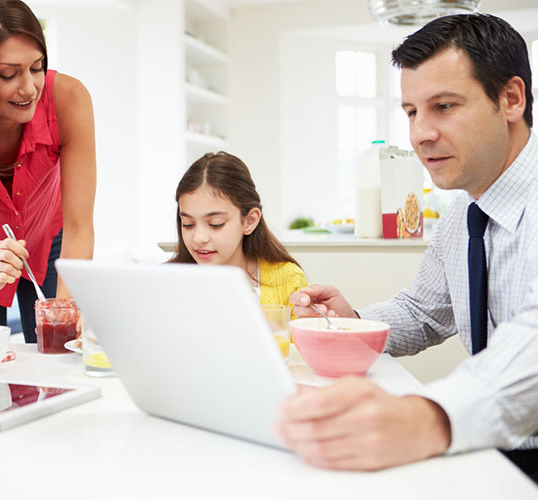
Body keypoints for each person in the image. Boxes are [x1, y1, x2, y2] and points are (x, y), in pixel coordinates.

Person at [277, 13, 538, 482]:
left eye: (444, 106)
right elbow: (423, 311)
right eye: (412, 112)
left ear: (511, 99)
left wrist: (427, 418)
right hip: (493, 450)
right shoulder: (464, 214)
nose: (420, 135)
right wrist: (352, 323)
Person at [0, 0, 96, 343]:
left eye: (37, 67)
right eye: (9, 74)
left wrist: (64, 315)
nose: (29, 88)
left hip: (48, 240)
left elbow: (80, 226)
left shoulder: (67, 99)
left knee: (61, 354)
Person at [170, 152, 307, 311]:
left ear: (250, 221)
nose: (198, 238)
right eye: (188, 224)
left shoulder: (288, 280)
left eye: (216, 224)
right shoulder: (167, 280)